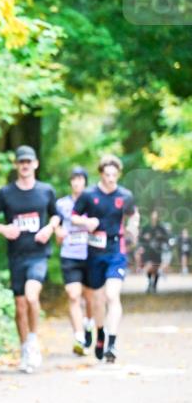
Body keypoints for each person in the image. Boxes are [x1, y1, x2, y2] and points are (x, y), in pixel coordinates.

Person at [0, 145, 60, 373]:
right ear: (16, 165)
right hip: (16, 256)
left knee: (31, 295)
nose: (25, 165)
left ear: (35, 164)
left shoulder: (46, 191)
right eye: (21, 162)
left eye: (29, 162)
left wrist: (49, 228)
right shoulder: (6, 194)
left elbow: (57, 215)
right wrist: (3, 229)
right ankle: (25, 348)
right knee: (19, 306)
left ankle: (33, 340)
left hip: (38, 254)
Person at [72, 155, 138, 363]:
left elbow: (133, 214)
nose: (111, 179)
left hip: (116, 250)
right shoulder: (89, 195)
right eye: (107, 175)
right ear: (101, 174)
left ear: (118, 175)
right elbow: (74, 216)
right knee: (97, 299)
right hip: (94, 252)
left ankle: (112, 341)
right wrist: (86, 222)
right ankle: (100, 333)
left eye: (114, 175)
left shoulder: (125, 195)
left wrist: (132, 227)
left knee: (112, 295)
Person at [55, 167, 95, 355]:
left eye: (80, 179)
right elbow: (56, 225)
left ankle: (88, 324)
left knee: (90, 297)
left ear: (85, 181)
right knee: (73, 295)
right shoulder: (62, 204)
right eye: (73, 179)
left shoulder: (94, 201)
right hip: (70, 254)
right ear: (70, 182)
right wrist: (58, 233)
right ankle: (79, 337)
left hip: (90, 254)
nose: (76, 182)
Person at [139, 210, 170, 294]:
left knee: (156, 268)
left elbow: (167, 238)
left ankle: (154, 286)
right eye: (153, 215)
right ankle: (149, 282)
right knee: (149, 267)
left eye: (156, 215)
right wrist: (145, 237)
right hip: (148, 250)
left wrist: (161, 236)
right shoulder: (146, 227)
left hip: (157, 251)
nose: (154, 217)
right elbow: (140, 238)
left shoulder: (160, 228)